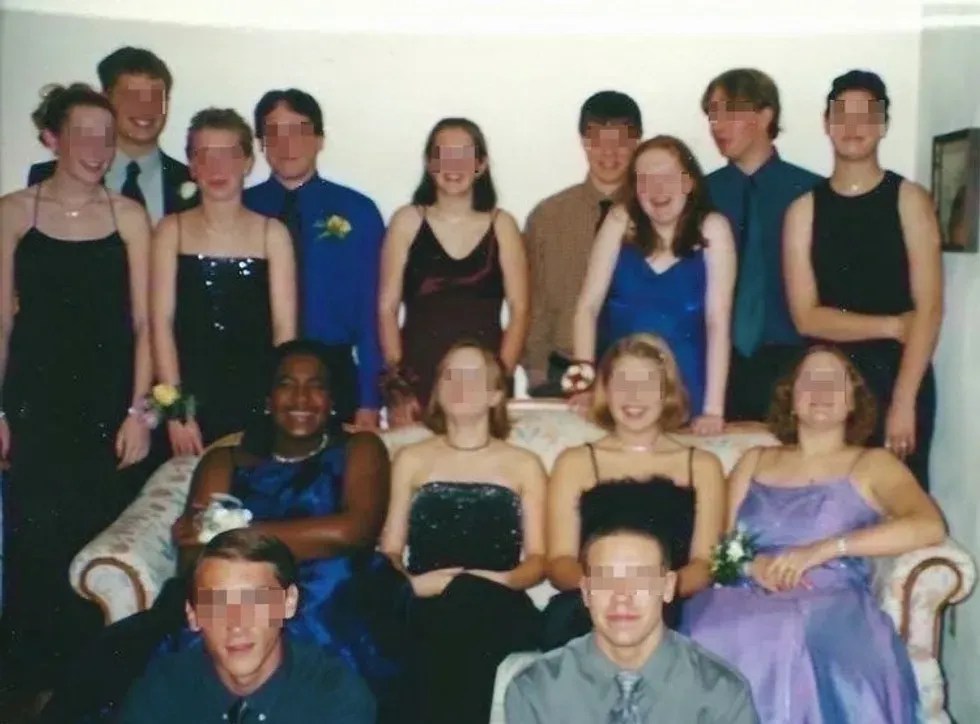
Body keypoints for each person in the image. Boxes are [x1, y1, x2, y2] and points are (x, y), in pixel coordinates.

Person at [35, 339, 395, 724]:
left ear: (333, 399)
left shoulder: (360, 448)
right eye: (287, 384)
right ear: (268, 399)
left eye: (316, 385)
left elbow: (352, 532)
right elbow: (193, 558)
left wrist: (231, 528)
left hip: (332, 596)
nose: (301, 398)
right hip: (223, 596)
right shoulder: (224, 461)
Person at [679, 345, 946, 723]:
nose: (821, 391)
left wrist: (824, 549)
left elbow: (929, 525)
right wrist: (752, 566)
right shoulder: (754, 460)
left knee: (787, 630)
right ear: (791, 399)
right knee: (708, 632)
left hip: (830, 601)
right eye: (809, 380)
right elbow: (715, 545)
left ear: (852, 401)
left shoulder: (873, 463)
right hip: (745, 593)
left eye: (833, 381)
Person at [0, 83, 154, 715]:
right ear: (52, 139)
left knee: (96, 544)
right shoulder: (13, 212)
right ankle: (27, 692)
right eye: (84, 133)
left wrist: (140, 412)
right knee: (34, 545)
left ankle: (90, 694)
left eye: (106, 136)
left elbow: (145, 324)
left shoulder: (129, 216)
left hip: (105, 408)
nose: (98, 147)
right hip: (34, 406)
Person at [783, 70, 943, 489]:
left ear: (883, 124)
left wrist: (904, 401)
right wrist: (891, 325)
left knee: (899, 498)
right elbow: (806, 318)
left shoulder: (909, 200)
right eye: (842, 114)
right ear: (826, 123)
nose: (852, 126)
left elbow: (929, 310)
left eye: (866, 115)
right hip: (827, 381)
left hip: (899, 375)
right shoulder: (803, 211)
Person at [373, 341, 545, 724]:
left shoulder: (524, 464)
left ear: (495, 394)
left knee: (464, 607)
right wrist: (413, 585)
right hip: (424, 597)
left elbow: (538, 561)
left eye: (472, 376)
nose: (459, 385)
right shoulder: (411, 459)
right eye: (450, 375)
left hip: (498, 601)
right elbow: (390, 551)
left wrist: (492, 581)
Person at [542, 333, 724, 649]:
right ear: (605, 391)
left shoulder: (703, 466)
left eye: (647, 384)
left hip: (669, 602)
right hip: (592, 604)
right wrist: (607, 591)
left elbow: (704, 564)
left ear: (666, 392)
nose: (634, 396)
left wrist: (652, 593)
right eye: (622, 383)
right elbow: (559, 561)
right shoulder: (574, 463)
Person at [115, 529, 377, 723]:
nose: (236, 624)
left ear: (288, 603)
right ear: (193, 615)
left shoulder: (336, 699)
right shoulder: (160, 694)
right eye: (217, 604)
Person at [505, 523, 759, 723]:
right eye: (606, 580)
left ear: (667, 587)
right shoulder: (537, 688)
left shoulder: (720, 692)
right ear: (586, 592)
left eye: (640, 579)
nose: (622, 596)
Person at [151, 108, 297, 456]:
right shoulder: (171, 230)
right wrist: (176, 410)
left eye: (229, 154)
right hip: (187, 401)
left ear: (247, 162)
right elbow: (160, 323)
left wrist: (276, 405)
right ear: (192, 165)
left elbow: (285, 332)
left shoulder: (272, 233)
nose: (217, 168)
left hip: (255, 399)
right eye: (205, 155)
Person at [572, 135, 736, 431]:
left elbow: (718, 322)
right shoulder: (618, 220)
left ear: (689, 183)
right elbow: (587, 307)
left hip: (688, 391)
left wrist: (713, 410)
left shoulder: (713, 228)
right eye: (645, 180)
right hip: (622, 389)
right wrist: (583, 386)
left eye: (667, 177)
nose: (657, 190)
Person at [244, 89, 386, 428]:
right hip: (256, 370)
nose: (287, 144)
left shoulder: (358, 211)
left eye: (299, 131)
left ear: (320, 140)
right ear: (260, 143)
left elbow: (373, 311)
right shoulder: (242, 208)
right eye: (274, 132)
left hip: (334, 370)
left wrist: (370, 398)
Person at [378, 118, 529, 425]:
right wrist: (398, 385)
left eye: (463, 155)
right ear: (429, 163)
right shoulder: (406, 221)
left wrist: (500, 378)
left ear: (481, 164)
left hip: (483, 379)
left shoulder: (503, 225)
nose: (453, 166)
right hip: (418, 378)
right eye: (443, 155)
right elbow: (386, 308)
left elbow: (520, 309)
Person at [700, 68, 823, 422]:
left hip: (793, 361)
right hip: (715, 362)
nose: (718, 125)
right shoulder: (700, 194)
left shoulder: (812, 192)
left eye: (730, 112)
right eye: (712, 114)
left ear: (765, 115)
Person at [522, 91, 643, 396]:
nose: (609, 152)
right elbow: (535, 302)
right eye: (598, 141)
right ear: (583, 142)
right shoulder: (548, 216)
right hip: (564, 369)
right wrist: (536, 373)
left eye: (621, 142)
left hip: (638, 372)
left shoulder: (656, 212)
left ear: (637, 142)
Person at [28, 47, 196, 224]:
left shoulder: (198, 183)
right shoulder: (47, 178)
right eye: (133, 97)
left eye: (155, 98)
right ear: (106, 99)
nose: (145, 108)